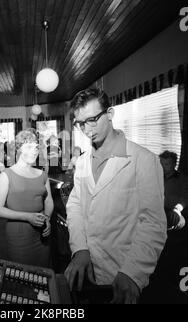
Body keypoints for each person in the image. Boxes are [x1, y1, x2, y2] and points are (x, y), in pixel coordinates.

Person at [64, 88, 167, 304]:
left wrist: (133, 272)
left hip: (122, 274)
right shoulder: (82, 162)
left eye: (92, 120)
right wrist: (80, 248)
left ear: (110, 114)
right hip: (88, 270)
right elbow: (75, 206)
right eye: (80, 123)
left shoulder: (144, 160)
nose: (86, 129)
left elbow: (153, 223)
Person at [0, 129, 54, 267]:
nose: (34, 151)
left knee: (43, 271)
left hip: (42, 232)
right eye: (29, 147)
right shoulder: (6, 175)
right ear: (19, 148)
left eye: (36, 147)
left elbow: (48, 200)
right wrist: (27, 217)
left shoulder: (42, 174)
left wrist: (48, 218)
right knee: (22, 274)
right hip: (19, 234)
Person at [159, 151, 188, 230]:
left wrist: (177, 208)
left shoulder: (182, 179)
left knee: (175, 219)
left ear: (174, 165)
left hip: (174, 211)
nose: (163, 167)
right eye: (161, 164)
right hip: (157, 210)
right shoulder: (155, 177)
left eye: (166, 164)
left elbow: (185, 197)